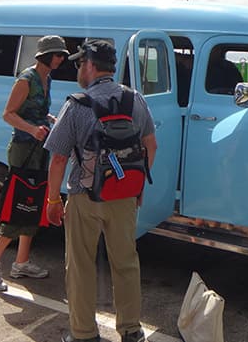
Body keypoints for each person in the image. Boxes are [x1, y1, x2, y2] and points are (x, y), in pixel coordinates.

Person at [45, 39, 157, 342]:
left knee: (80, 265)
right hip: (123, 196)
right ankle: (131, 329)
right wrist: (136, 184)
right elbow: (151, 145)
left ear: (91, 66)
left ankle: (83, 334)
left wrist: (53, 199)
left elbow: (57, 157)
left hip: (84, 195)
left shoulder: (76, 103)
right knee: (126, 262)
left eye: (81, 63)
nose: (80, 68)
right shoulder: (135, 99)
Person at [0, 35, 69, 291]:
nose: (62, 58)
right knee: (20, 204)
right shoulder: (26, 79)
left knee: (34, 203)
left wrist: (46, 118)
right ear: (46, 56)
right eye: (58, 54)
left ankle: (21, 261)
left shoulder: (46, 78)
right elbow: (8, 114)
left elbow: (32, 111)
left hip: (38, 148)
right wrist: (31, 128)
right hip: (23, 149)